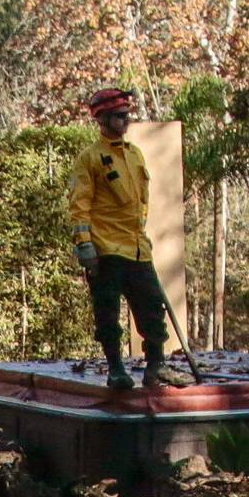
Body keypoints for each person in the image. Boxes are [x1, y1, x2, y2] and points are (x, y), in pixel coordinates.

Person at [68, 86, 172, 393]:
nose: (124, 120)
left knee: (153, 306)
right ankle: (116, 368)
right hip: (105, 249)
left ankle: (156, 366)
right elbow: (79, 203)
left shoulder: (134, 154)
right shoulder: (90, 158)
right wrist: (85, 244)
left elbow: (141, 201)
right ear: (102, 119)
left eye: (126, 115)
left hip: (137, 248)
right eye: (118, 116)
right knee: (108, 312)